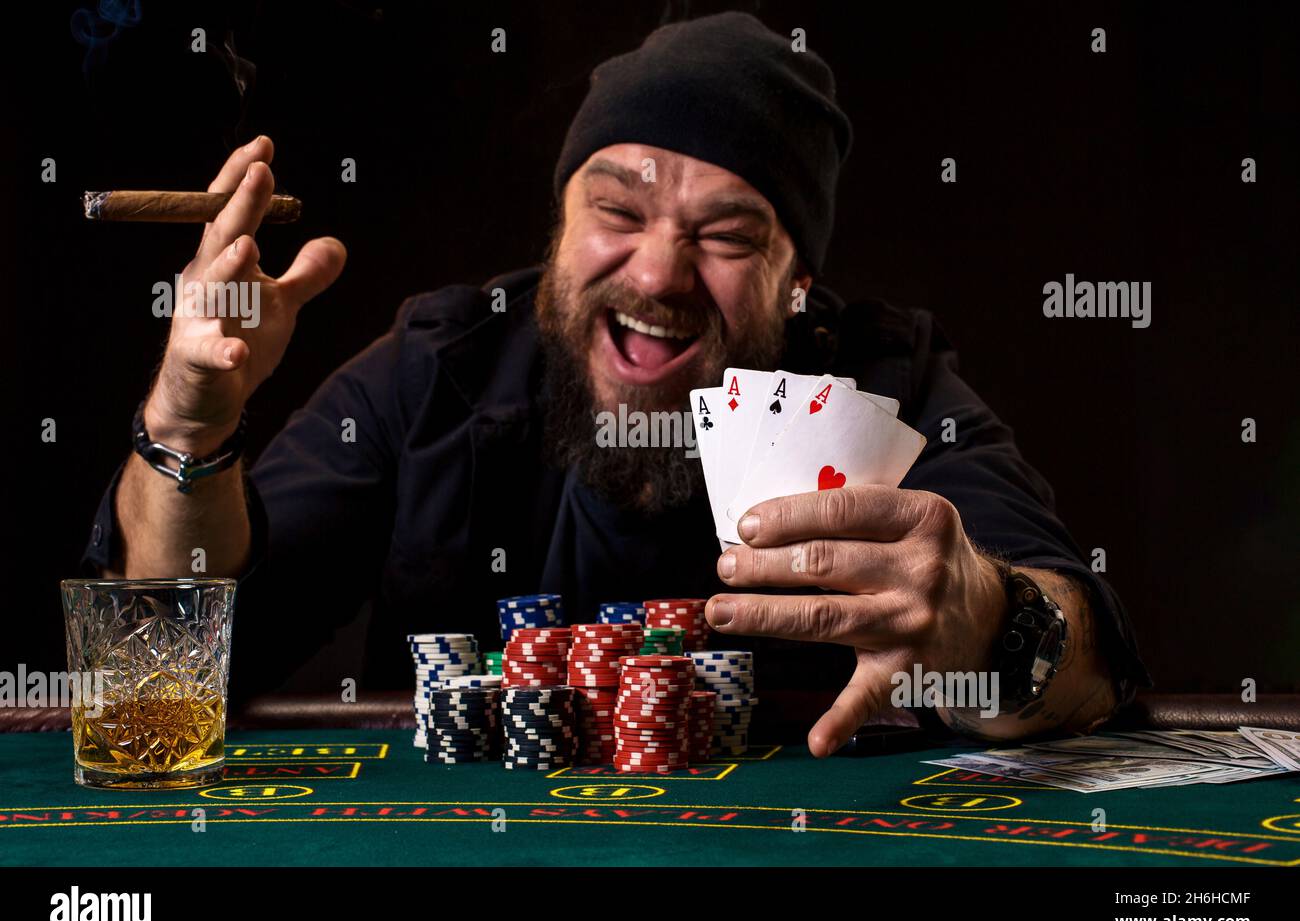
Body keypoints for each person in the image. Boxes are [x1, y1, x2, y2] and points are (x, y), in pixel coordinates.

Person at [82, 12, 1150, 755]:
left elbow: (1092, 658)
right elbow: (175, 667)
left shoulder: (887, 387)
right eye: (619, 212)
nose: (656, 274)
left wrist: (986, 617)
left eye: (729, 234)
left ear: (797, 282)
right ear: (558, 229)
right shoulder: (439, 368)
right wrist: (190, 418)